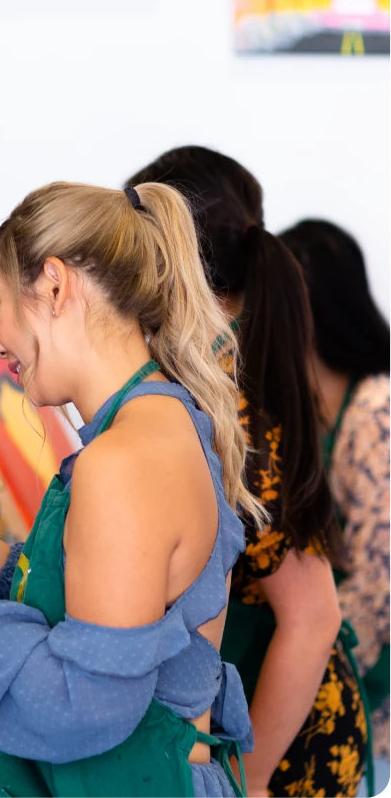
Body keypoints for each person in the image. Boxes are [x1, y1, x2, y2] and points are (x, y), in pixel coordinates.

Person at [0, 180, 260, 797]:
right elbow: (102, 603)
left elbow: (85, 705)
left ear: (54, 286)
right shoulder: (165, 416)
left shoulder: (121, 459)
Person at [129, 147, 367, 798]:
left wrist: (250, 780)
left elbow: (311, 617)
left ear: (165, 256)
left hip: (283, 739)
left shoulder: (229, 406)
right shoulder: (223, 372)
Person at [281, 218, 391, 795]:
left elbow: (381, 586)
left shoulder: (377, 412)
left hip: (378, 712)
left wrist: (291, 666)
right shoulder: (318, 411)